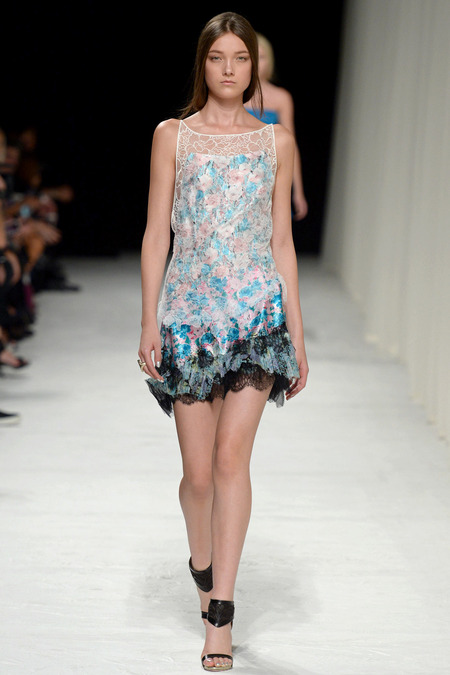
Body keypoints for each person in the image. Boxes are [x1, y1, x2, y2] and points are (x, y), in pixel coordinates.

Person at [138, 11, 308, 672]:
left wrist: (296, 335)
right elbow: (157, 233)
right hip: (187, 321)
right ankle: (202, 562)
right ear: (203, 64)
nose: (230, 69)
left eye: (240, 58)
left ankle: (221, 614)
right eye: (218, 58)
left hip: (256, 320)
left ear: (253, 65)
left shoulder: (275, 142)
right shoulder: (172, 136)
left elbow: (282, 244)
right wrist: (149, 320)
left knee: (233, 460)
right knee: (199, 475)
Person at [245, 33, 308, 222]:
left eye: (261, 57)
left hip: (269, 178)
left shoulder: (281, 98)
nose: (257, 62)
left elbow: (290, 146)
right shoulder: (233, 95)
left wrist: (298, 191)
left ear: (270, 60)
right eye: (250, 56)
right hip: (236, 174)